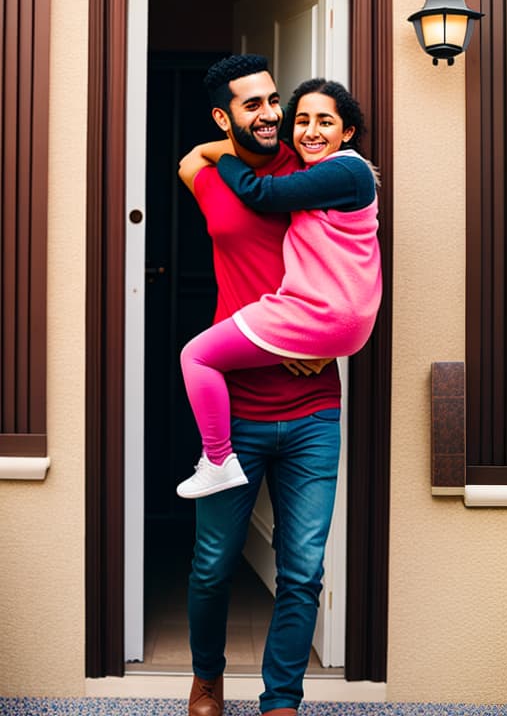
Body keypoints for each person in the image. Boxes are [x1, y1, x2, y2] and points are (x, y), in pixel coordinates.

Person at [178, 53, 344, 716]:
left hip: (313, 409)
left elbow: (360, 273)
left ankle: (282, 701)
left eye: (274, 99)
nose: (273, 113)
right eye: (254, 104)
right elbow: (191, 159)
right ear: (225, 116)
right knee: (212, 564)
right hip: (236, 410)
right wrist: (227, 144)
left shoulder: (317, 173)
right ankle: (207, 679)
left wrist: (327, 344)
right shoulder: (211, 173)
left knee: (302, 572)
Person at [177, 76, 382, 500]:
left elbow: (260, 193)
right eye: (302, 120)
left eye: (325, 121)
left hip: (322, 315)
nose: (310, 130)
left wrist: (211, 150)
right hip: (337, 317)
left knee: (195, 356)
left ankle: (217, 459)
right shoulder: (324, 174)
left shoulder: (346, 168)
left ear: (346, 133)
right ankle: (219, 460)